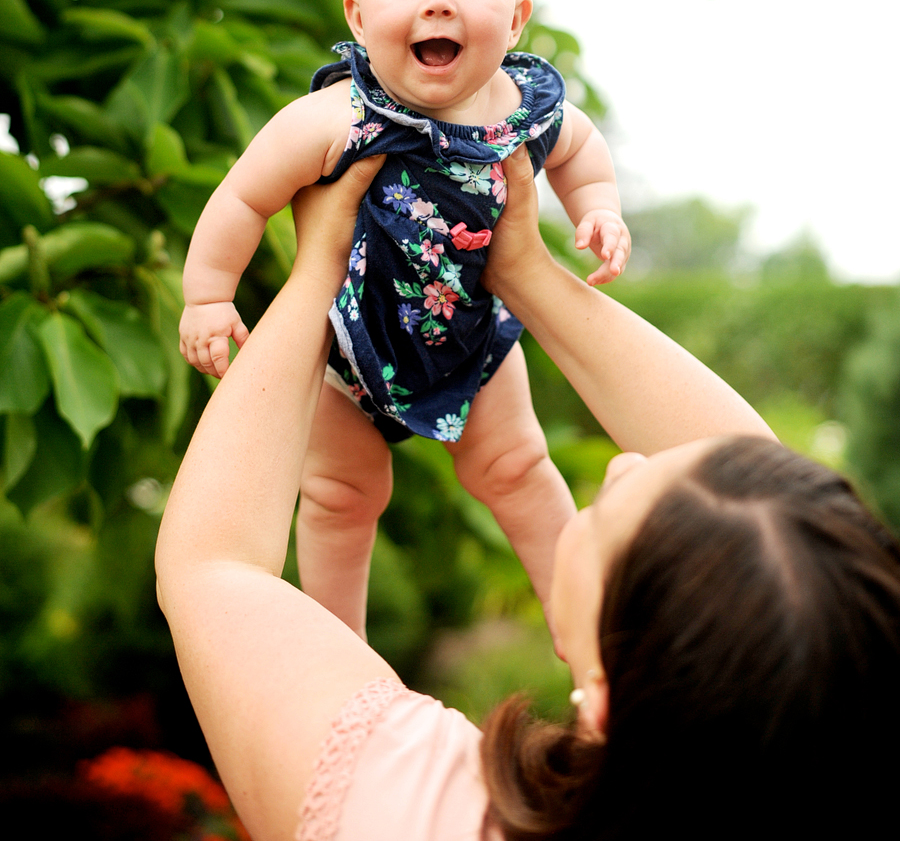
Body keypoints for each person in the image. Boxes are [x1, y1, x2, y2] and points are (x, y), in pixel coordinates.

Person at [156, 148, 900, 841]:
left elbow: (212, 565)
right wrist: (524, 269)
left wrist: (318, 266)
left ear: (608, 698)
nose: (624, 464)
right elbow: (774, 539)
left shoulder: (422, 805)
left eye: (612, 510)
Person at [178, 0, 631, 641]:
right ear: (358, 15)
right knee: (338, 495)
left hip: (473, 335)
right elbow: (242, 198)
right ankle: (339, 645)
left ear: (516, 18)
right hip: (342, 347)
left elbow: (581, 153)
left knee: (518, 467)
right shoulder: (333, 117)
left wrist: (599, 210)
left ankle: (579, 623)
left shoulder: (523, 109)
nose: (439, 0)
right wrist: (208, 295)